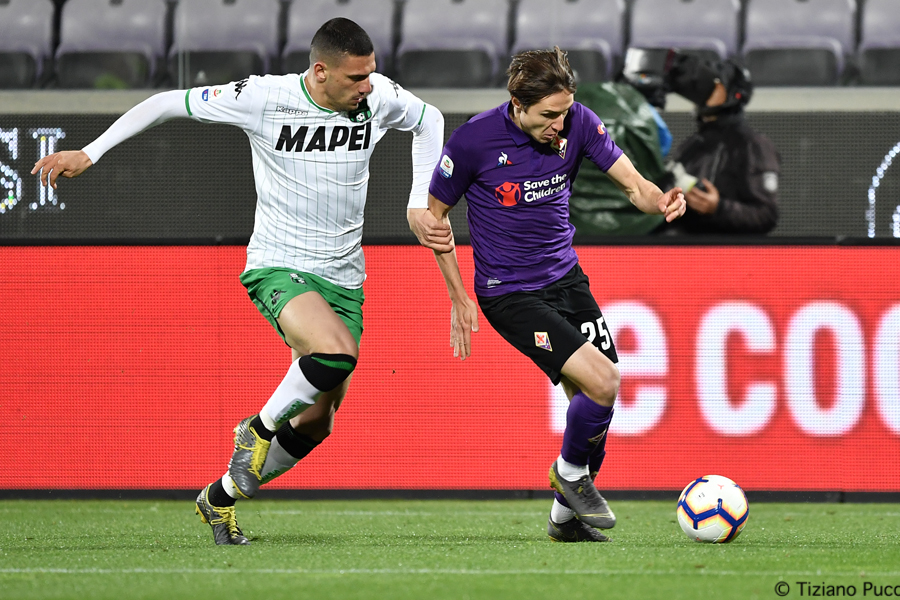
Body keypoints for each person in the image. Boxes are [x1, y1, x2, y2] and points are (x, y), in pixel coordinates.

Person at [32, 18, 447, 546]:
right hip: (278, 263)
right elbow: (166, 102)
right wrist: (90, 152)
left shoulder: (378, 96)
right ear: (321, 71)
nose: (367, 86)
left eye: (370, 74)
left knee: (317, 421)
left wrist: (416, 202)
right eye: (355, 77)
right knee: (336, 352)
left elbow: (429, 120)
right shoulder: (264, 97)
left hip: (345, 276)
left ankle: (219, 497)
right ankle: (255, 430)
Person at [416, 48, 685, 542]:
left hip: (567, 280)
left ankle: (564, 520)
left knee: (596, 402)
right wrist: (458, 297)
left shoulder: (579, 121)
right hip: (510, 293)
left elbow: (634, 185)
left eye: (564, 112)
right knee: (604, 381)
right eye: (547, 115)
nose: (559, 125)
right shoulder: (473, 140)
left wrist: (661, 200)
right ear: (517, 105)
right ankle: (568, 474)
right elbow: (434, 221)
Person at [657, 52, 780, 234]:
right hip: (683, 245)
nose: (703, 91)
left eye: (714, 85)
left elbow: (765, 214)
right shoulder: (693, 144)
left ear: (732, 94)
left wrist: (718, 208)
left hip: (724, 248)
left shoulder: (752, 145)